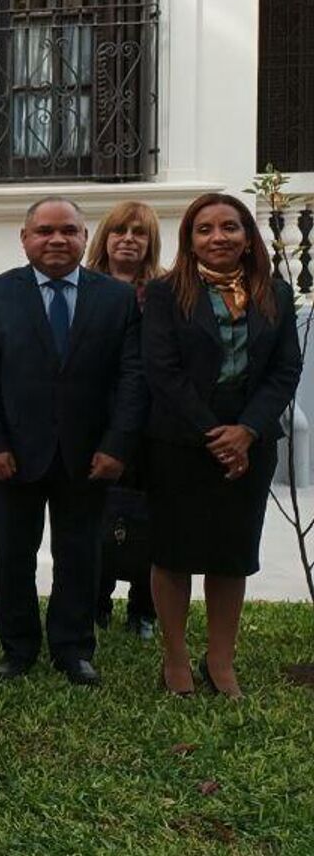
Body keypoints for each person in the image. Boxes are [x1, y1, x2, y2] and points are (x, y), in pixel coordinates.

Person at [0, 198, 146, 686]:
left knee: (81, 555)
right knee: (13, 554)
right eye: (44, 231)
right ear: (25, 239)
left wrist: (117, 446)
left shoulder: (117, 299)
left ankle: (73, 648)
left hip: (89, 455)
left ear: (87, 238)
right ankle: (17, 647)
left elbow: (132, 378)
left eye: (69, 230)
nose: (57, 239)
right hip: (12, 454)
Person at [141, 194, 302, 698]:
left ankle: (221, 660)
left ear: (247, 235)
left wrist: (247, 430)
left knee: (232, 554)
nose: (218, 238)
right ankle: (176, 660)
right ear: (190, 240)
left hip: (250, 444)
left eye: (229, 227)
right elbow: (161, 370)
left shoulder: (274, 290)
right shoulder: (167, 293)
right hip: (180, 440)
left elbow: (286, 369)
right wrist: (214, 433)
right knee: (174, 551)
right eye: (205, 229)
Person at [84, 200, 164, 639]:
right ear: (105, 237)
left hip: (152, 424)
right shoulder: (84, 287)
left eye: (139, 232)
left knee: (150, 515)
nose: (129, 239)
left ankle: (143, 608)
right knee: (97, 514)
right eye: (120, 231)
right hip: (97, 420)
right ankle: (96, 599)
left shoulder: (166, 291)